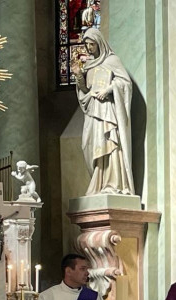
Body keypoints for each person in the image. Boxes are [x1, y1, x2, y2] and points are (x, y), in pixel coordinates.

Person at [74, 27, 135, 196]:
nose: (88, 48)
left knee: (109, 143)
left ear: (99, 43)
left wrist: (109, 89)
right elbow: (85, 91)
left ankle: (112, 183)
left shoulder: (112, 60)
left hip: (107, 110)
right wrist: (79, 76)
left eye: (91, 44)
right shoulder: (89, 65)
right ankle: (99, 184)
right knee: (90, 145)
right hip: (93, 111)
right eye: (86, 45)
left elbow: (125, 83)